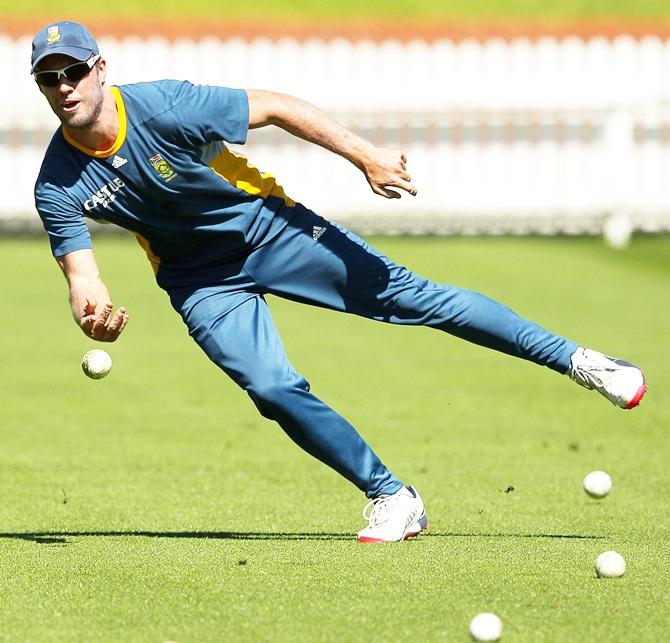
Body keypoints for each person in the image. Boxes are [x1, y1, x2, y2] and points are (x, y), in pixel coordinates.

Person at [32, 20, 646, 543]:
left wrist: (365, 155)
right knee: (270, 388)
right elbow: (82, 275)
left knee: (415, 298)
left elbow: (275, 106)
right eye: (48, 79)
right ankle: (392, 496)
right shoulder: (56, 182)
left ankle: (583, 361)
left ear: (100, 68)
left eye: (73, 72)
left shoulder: (164, 105)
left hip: (269, 228)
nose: (64, 88)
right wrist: (94, 315)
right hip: (199, 281)